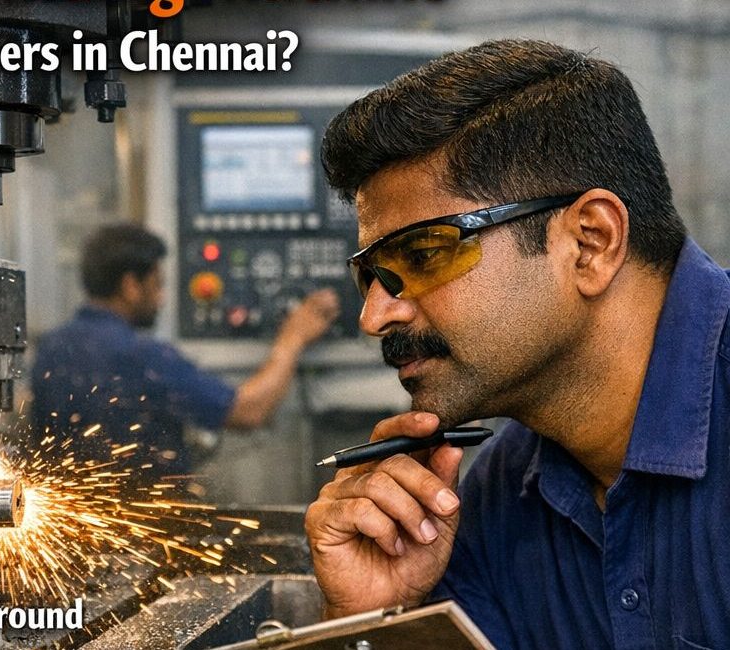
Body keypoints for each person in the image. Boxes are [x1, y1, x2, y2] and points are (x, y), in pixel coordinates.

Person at [304, 39, 730, 649]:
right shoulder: (505, 486)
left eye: (422, 255)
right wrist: (376, 625)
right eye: (369, 277)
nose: (374, 317)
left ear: (590, 242)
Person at [31, 223, 340, 482]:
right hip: (146, 532)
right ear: (130, 285)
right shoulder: (142, 356)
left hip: (72, 523)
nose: (162, 298)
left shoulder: (51, 348)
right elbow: (248, 411)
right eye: (157, 285)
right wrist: (293, 337)